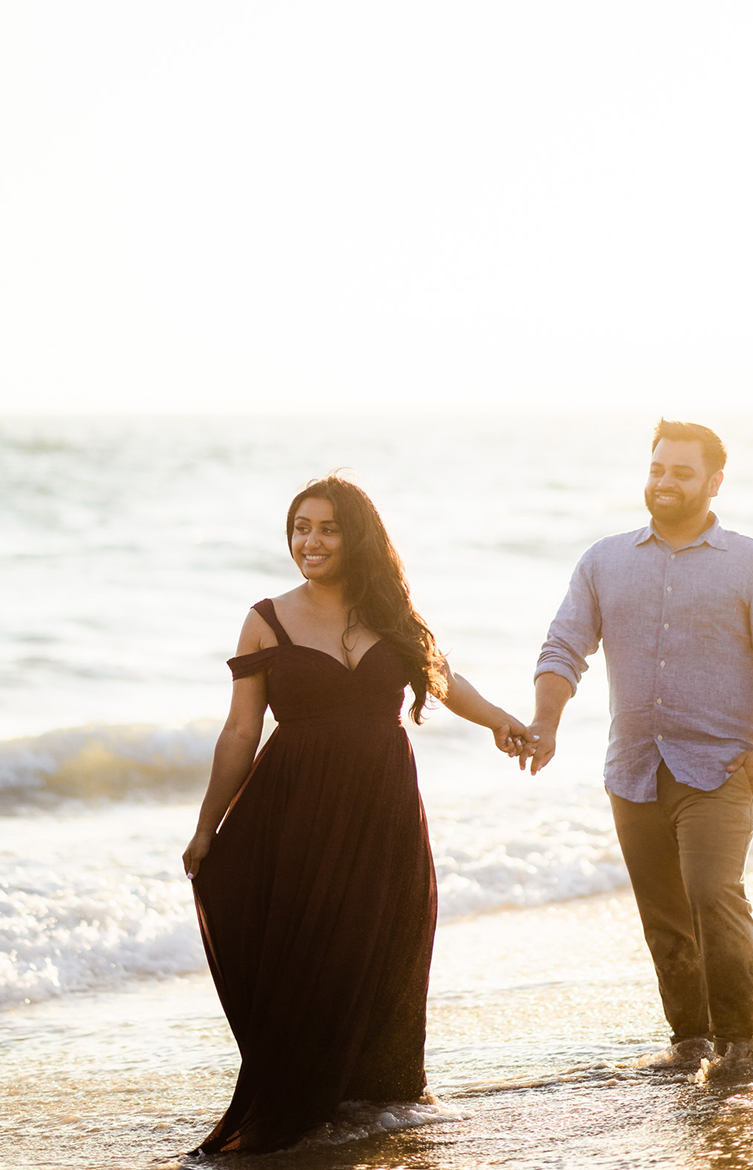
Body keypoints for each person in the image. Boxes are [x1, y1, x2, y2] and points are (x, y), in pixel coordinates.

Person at [183, 474, 530, 1154]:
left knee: (384, 943)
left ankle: (373, 1104)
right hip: (298, 811)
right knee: (309, 952)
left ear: (356, 536)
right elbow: (238, 734)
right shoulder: (268, 618)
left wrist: (500, 721)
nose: (309, 541)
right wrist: (206, 826)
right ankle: (301, 1103)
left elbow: (442, 678)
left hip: (384, 808)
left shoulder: (392, 613)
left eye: (326, 528)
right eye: (300, 528)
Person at [520, 420, 753, 1074]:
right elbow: (563, 648)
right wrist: (546, 723)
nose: (664, 482)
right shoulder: (604, 560)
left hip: (721, 769)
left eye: (681, 471)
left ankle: (742, 1045)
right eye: (657, 468)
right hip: (634, 772)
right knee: (665, 919)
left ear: (713, 482)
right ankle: (691, 1044)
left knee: (712, 893)